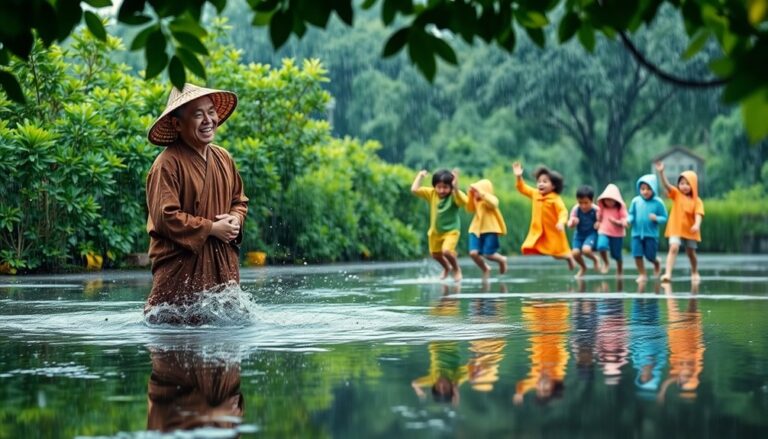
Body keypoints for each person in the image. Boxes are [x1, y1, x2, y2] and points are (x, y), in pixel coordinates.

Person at [145, 83, 249, 323]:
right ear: (177, 124)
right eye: (198, 114)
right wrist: (211, 228)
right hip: (180, 273)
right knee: (173, 331)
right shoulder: (167, 164)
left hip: (222, 267)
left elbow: (239, 200)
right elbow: (165, 217)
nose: (208, 120)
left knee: (226, 340)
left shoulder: (223, 158)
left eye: (211, 112)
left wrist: (235, 218)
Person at [512, 162, 576, 270]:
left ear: (553, 186)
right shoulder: (535, 194)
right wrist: (518, 176)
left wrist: (561, 222)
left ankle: (569, 257)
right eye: (539, 182)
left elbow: (563, 211)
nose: (541, 184)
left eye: (545, 182)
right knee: (536, 248)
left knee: (557, 254)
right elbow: (522, 188)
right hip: (539, 231)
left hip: (553, 231)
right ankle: (567, 256)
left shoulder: (555, 199)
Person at [411, 169, 469, 281]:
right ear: (434, 186)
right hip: (435, 232)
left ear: (450, 187)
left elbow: (464, 202)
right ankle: (447, 268)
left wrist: (456, 188)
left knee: (446, 251)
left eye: (445, 187)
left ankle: (456, 269)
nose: (442, 190)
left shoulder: (454, 195)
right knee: (435, 255)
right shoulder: (432, 193)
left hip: (451, 231)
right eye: (439, 187)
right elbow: (414, 189)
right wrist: (420, 176)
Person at [655, 162, 705, 283]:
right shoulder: (676, 194)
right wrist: (661, 172)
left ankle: (694, 271)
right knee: (673, 247)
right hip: (676, 228)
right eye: (682, 183)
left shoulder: (697, 201)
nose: (684, 186)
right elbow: (667, 186)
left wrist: (697, 224)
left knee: (690, 252)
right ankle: (667, 273)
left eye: (688, 183)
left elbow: (699, 214)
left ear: (693, 185)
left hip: (690, 230)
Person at [628, 174, 668, 282]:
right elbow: (631, 214)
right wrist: (628, 220)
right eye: (643, 189)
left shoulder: (658, 202)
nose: (645, 191)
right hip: (636, 233)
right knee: (637, 255)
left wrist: (656, 218)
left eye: (648, 189)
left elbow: (664, 218)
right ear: (639, 189)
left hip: (651, 234)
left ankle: (656, 262)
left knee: (650, 256)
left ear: (654, 189)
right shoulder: (635, 201)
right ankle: (642, 274)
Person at [466, 179, 508, 276]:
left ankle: (502, 260)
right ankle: (485, 268)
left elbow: (494, 203)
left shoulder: (490, 200)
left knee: (488, 254)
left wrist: (483, 195)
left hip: (490, 229)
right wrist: (470, 195)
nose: (475, 193)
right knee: (473, 253)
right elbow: (469, 208)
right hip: (475, 230)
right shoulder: (476, 201)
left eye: (477, 190)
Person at [567, 185, 602, 278]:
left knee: (586, 250)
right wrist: (573, 222)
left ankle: (595, 259)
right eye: (580, 202)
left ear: (592, 200)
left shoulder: (596, 210)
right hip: (579, 235)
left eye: (586, 203)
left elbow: (601, 221)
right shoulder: (576, 209)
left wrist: (598, 224)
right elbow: (570, 223)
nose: (583, 206)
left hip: (591, 234)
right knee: (575, 253)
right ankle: (583, 267)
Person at [595, 184, 628, 277]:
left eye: (611, 199)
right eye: (606, 199)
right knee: (601, 246)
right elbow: (599, 217)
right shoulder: (602, 207)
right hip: (604, 231)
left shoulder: (620, 207)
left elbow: (625, 219)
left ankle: (620, 269)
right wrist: (597, 222)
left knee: (616, 255)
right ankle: (606, 262)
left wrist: (618, 222)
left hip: (617, 234)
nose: (608, 202)